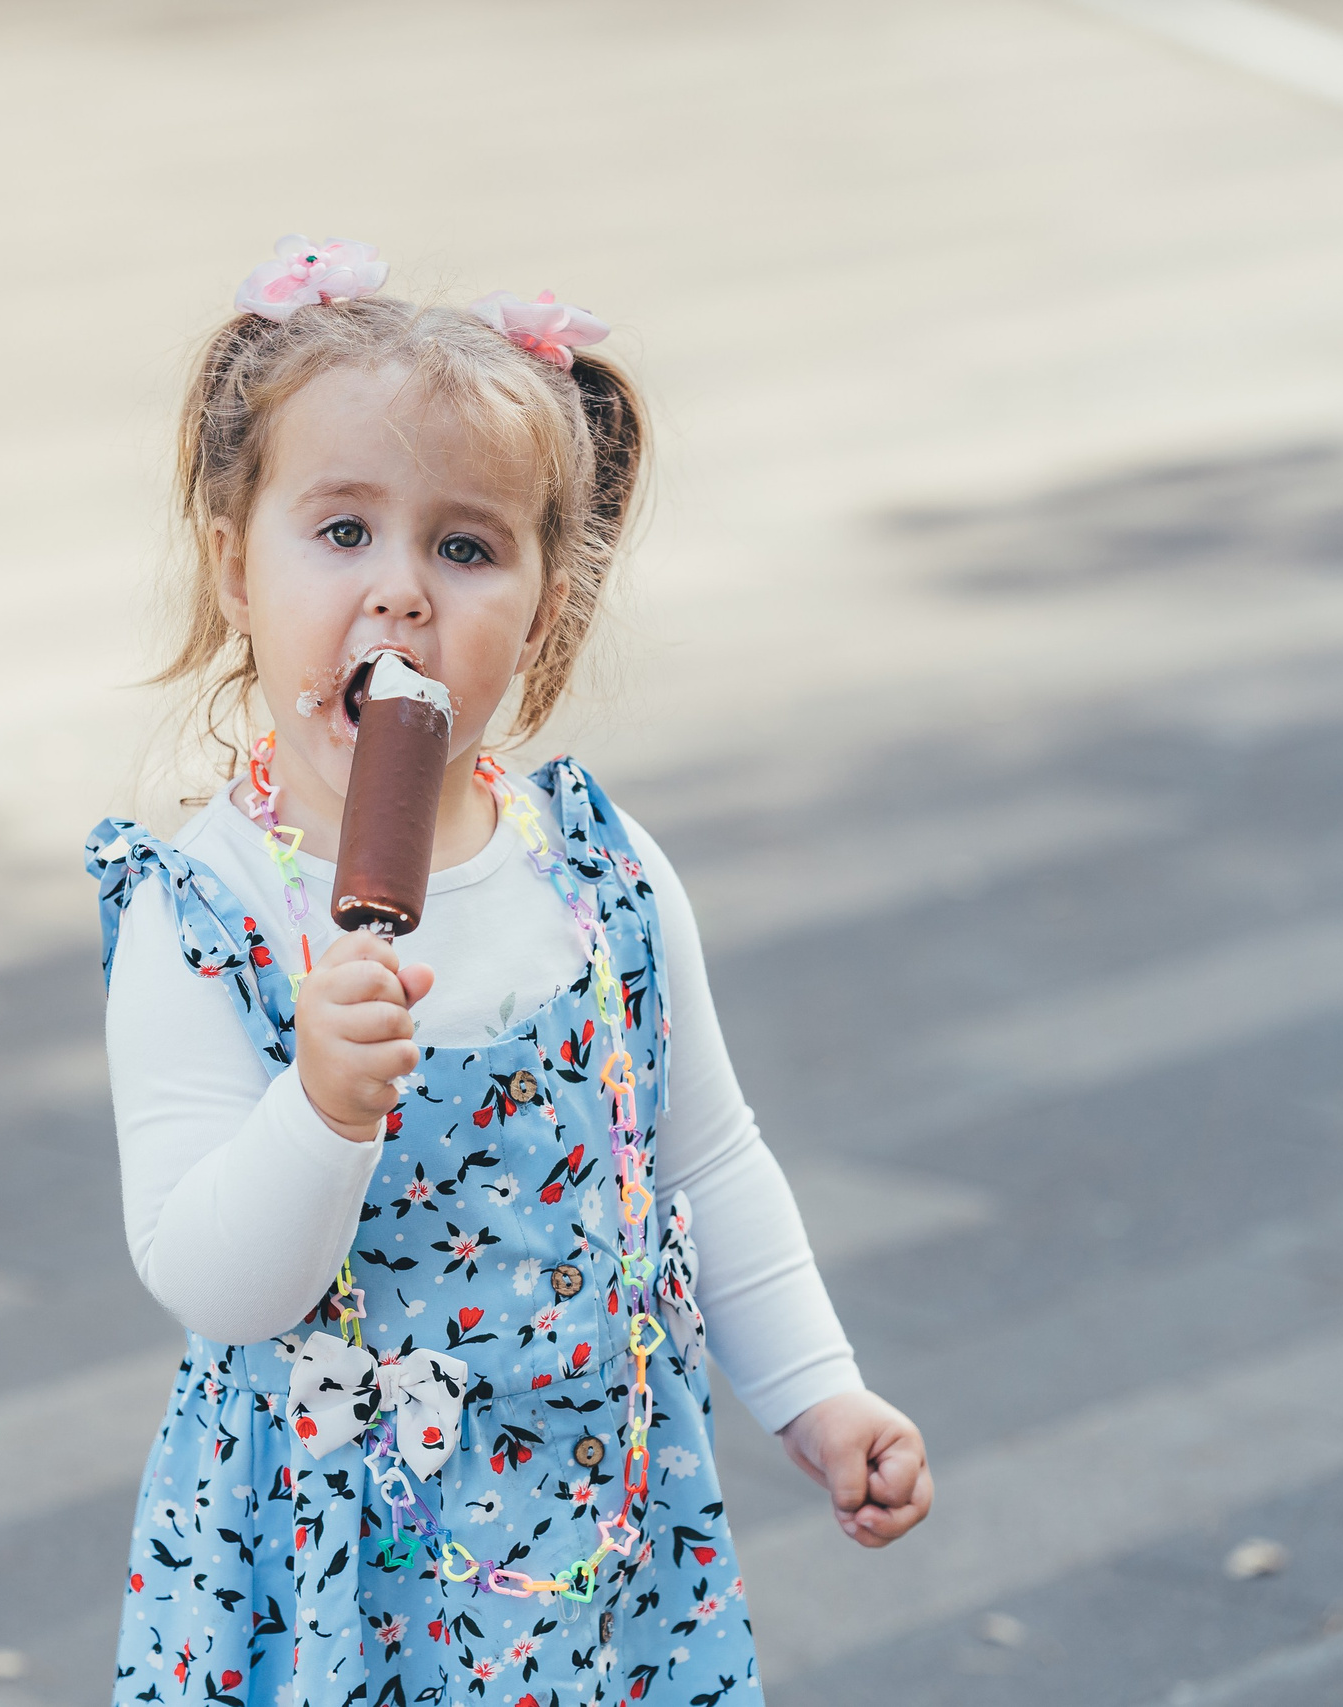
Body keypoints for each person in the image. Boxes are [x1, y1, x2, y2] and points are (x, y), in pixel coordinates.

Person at [86, 235, 930, 1704]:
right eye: (341, 531)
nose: (400, 594)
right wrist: (323, 1108)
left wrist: (815, 1390)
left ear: (542, 612)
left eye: (464, 548)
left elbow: (708, 1159)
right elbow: (212, 1280)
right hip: (332, 1560)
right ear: (235, 565)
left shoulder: (597, 875)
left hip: (587, 1535)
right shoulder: (204, 917)